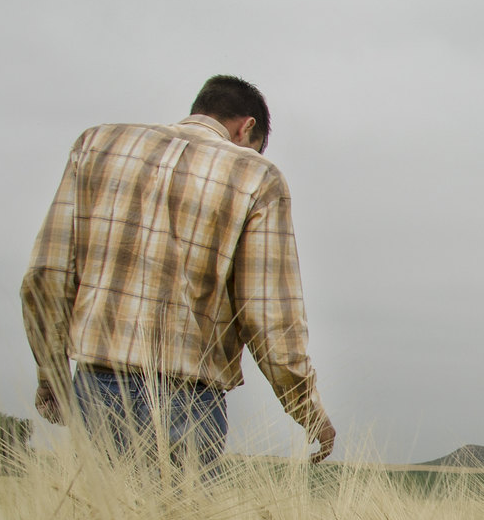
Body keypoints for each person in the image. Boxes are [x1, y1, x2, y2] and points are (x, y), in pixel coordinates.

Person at [21, 74, 336, 472]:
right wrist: (307, 410)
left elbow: (46, 275)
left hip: (96, 384)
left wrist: (51, 374)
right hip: (189, 398)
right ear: (247, 127)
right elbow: (269, 316)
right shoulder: (257, 176)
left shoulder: (95, 145)